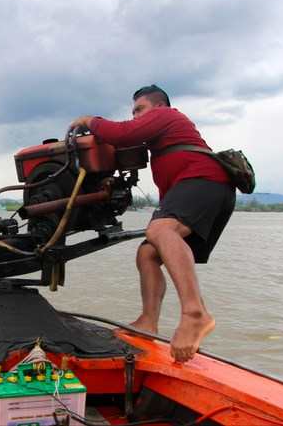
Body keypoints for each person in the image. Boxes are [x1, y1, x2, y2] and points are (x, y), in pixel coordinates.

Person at [70, 85, 235, 363]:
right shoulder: (162, 142)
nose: (135, 116)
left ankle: (195, 313)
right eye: (132, 112)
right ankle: (148, 322)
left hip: (205, 180)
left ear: (158, 107)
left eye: (139, 110)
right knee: (147, 252)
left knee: (160, 230)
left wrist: (89, 121)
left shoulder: (168, 115)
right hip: (203, 187)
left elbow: (122, 133)